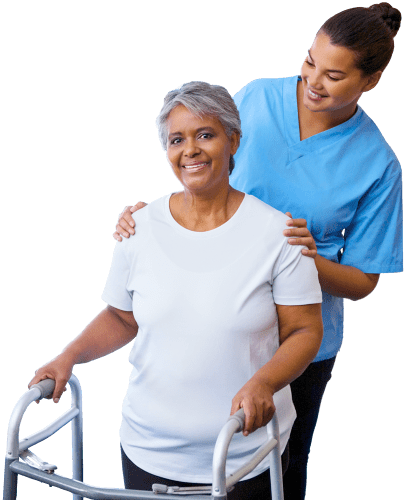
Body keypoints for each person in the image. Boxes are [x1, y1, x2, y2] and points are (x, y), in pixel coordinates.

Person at [111, 4, 403, 499]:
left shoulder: (378, 164)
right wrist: (153, 217)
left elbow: (363, 282)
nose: (313, 81)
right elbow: (200, 161)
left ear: (370, 81)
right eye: (310, 61)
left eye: (334, 75)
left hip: (297, 337)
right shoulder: (256, 98)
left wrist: (297, 257)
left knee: (279, 468)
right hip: (207, 312)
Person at [29, 81, 323, 500]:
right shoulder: (140, 228)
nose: (191, 150)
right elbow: (120, 316)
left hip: (244, 453)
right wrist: (69, 356)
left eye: (206, 134)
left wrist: (264, 382)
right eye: (177, 139)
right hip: (149, 450)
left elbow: (305, 330)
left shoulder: (278, 233)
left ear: (233, 140)